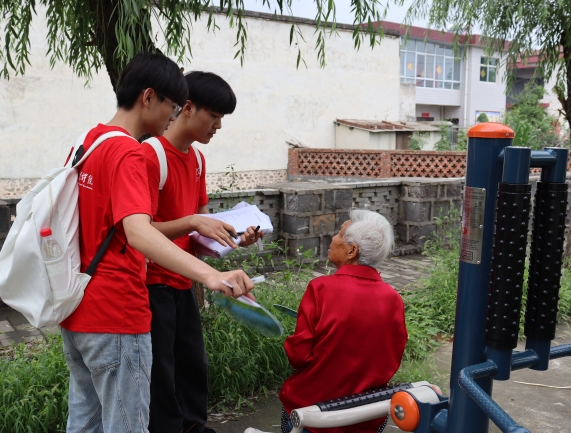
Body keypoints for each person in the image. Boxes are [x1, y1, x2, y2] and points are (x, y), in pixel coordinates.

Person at [59, 54, 253, 433]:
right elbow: (138, 230)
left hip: (78, 306)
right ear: (148, 97)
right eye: (173, 106)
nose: (173, 115)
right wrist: (210, 275)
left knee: (85, 424)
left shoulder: (90, 142)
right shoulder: (132, 153)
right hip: (117, 313)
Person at [143, 71, 264, 433]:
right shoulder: (151, 156)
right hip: (151, 284)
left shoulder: (196, 160)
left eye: (221, 118)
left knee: (192, 365)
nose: (218, 126)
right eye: (214, 116)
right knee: (161, 373)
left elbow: (197, 234)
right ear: (188, 108)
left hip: (185, 281)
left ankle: (193, 427)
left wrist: (232, 239)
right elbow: (138, 230)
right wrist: (194, 221)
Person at [278, 209, 407, 433]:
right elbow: (391, 358)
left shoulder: (321, 289)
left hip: (314, 412)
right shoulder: (393, 298)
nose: (333, 238)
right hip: (366, 417)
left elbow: (298, 356)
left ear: (352, 250)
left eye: (339, 233)